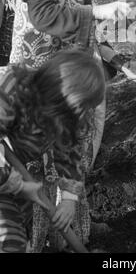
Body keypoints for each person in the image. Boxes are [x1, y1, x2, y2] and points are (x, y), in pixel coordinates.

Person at [9, 0, 136, 252]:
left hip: (73, 82)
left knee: (74, 150)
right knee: (31, 171)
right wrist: (99, 11)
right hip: (35, 84)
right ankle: (33, 240)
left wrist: (118, 63)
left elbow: (83, 32)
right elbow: (45, 16)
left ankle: (72, 229)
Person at [0, 48, 106, 253]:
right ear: (62, 94)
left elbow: (70, 152)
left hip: (15, 169)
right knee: (8, 238)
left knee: (20, 229)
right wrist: (17, 184)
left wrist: (68, 199)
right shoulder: (15, 88)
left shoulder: (68, 118)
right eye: (81, 106)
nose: (84, 114)